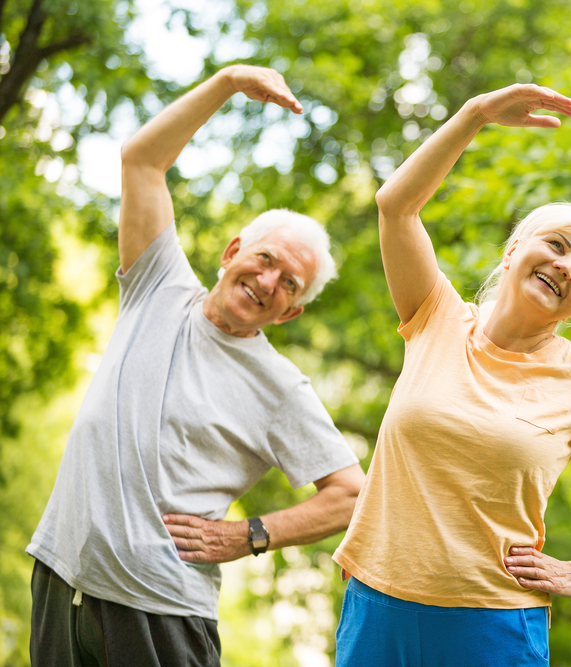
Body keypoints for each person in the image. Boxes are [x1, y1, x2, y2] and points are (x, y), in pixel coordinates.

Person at [27, 66, 365, 666]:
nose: (267, 282)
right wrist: (229, 83)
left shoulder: (280, 386)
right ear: (232, 252)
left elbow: (349, 494)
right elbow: (141, 161)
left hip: (162, 611)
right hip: (61, 576)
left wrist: (251, 535)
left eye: (289, 284)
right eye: (264, 260)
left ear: (291, 312)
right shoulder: (158, 284)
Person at [332, 83, 571, 666]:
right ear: (514, 250)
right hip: (378, 607)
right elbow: (395, 205)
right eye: (555, 245)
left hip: (492, 627)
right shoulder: (434, 316)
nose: (565, 266)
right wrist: (477, 114)